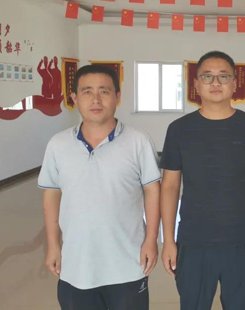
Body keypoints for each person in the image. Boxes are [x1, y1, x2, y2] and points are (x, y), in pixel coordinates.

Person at [39, 65, 161, 310]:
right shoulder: (58, 144)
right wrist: (53, 245)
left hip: (128, 263)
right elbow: (52, 195)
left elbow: (152, 190)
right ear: (74, 98)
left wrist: (151, 240)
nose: (96, 99)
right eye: (87, 92)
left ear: (117, 96)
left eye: (104, 91)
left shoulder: (138, 141)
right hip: (76, 265)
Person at [159, 51, 245, 310]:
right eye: (207, 76)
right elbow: (170, 186)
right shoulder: (179, 129)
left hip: (241, 240)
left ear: (235, 84)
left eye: (223, 76)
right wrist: (168, 240)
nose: (215, 83)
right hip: (193, 240)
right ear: (196, 85)